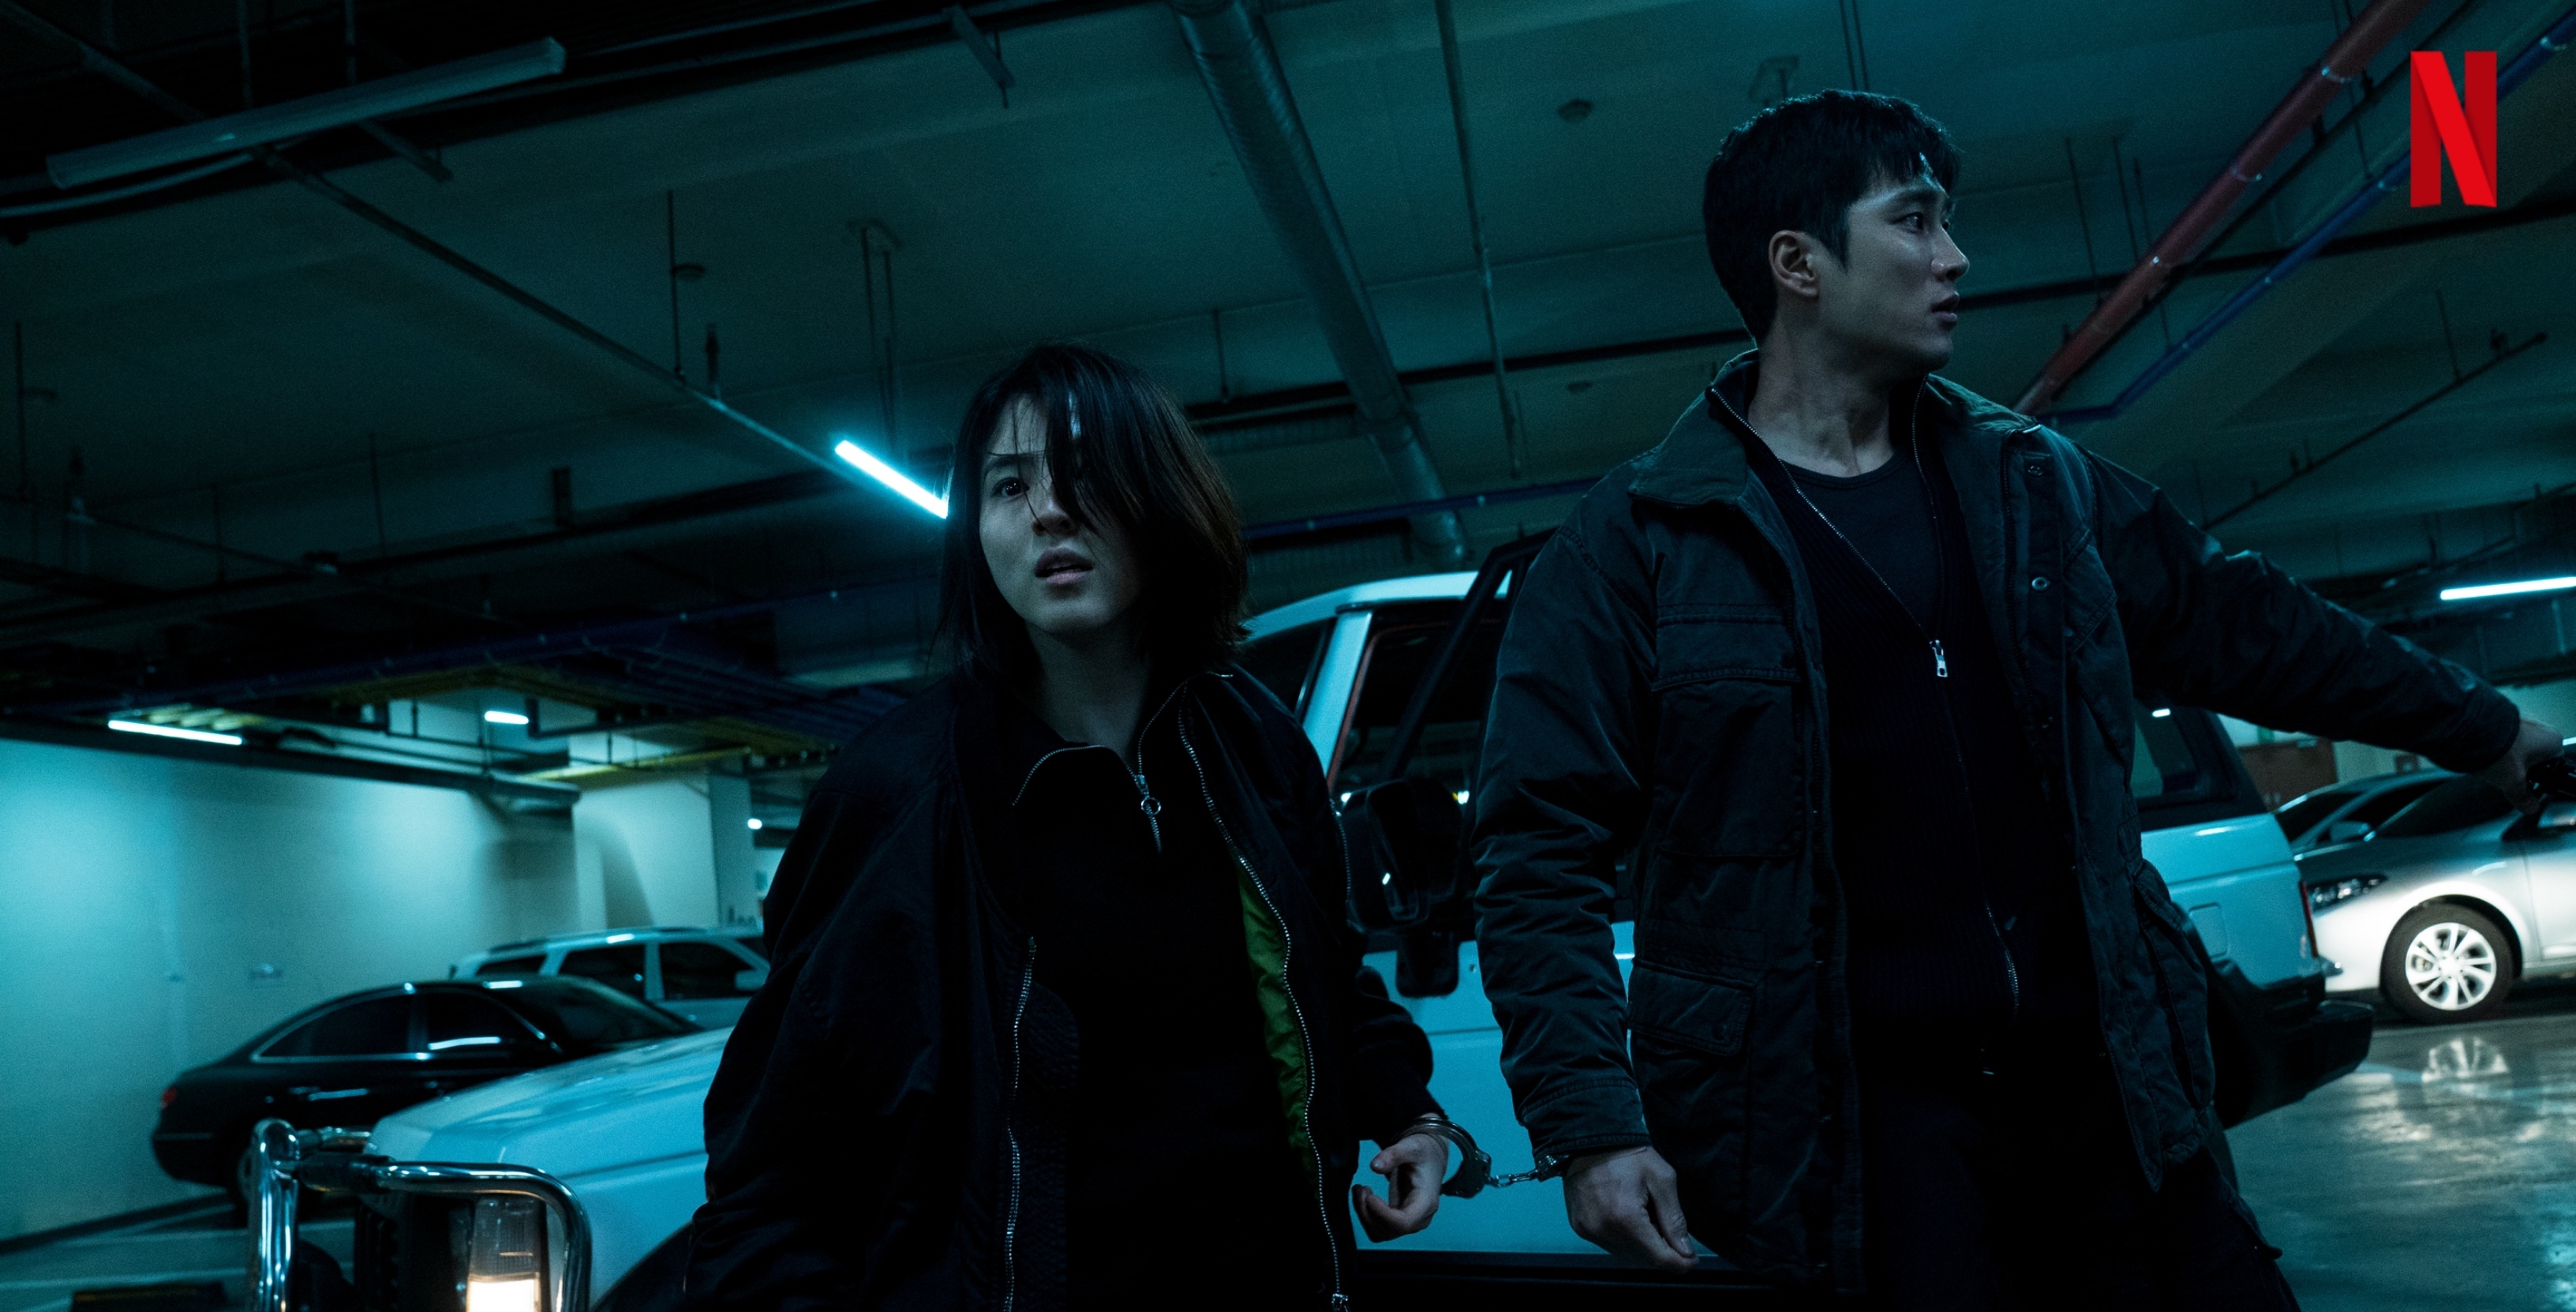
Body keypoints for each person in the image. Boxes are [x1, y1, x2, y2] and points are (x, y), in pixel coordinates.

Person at [1468, 91, 2563, 1309]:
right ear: (1799, 265)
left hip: (2102, 1080)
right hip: (1864, 1132)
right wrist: (1591, 1122)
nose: (1955, 257)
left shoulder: (2034, 483)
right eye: (1915, 221)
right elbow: (1538, 847)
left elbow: (2247, 625)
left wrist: (2489, 729)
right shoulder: (1636, 546)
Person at [683, 343, 1456, 1310]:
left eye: (1085, 474)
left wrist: (1411, 1113)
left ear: (1166, 496)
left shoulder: (1254, 745)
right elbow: (777, 1160)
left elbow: (1325, 979)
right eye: (1009, 486)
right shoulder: (894, 796)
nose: (1047, 510)